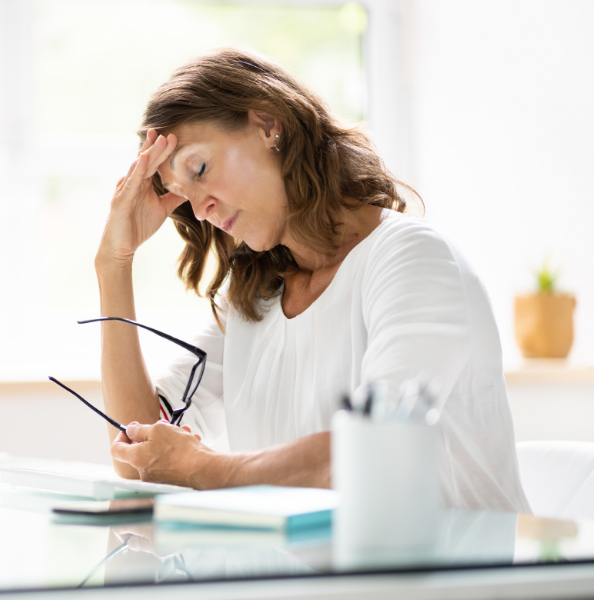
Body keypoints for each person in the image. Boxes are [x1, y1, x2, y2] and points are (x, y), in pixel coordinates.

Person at [97, 47, 529, 513]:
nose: (200, 208)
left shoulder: (413, 261)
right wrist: (114, 264)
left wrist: (205, 470)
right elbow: (138, 456)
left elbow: (375, 453)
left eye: (200, 169)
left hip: (454, 579)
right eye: (183, 196)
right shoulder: (253, 298)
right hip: (323, 581)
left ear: (268, 124)